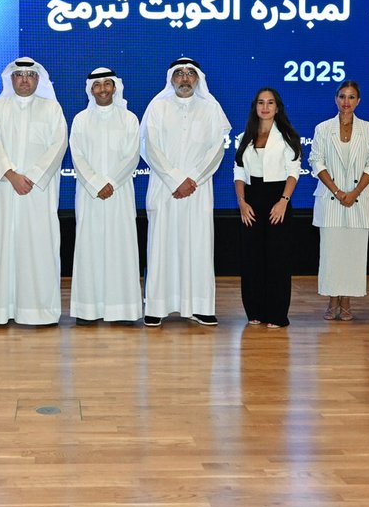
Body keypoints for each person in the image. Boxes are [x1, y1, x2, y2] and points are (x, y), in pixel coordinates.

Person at [141, 57, 231, 327]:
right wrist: (176, 179)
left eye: (190, 73)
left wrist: (193, 179)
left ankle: (200, 306)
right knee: (161, 246)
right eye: (179, 73)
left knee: (198, 245)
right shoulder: (157, 106)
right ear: (171, 78)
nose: (184, 78)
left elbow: (216, 150)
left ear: (198, 78)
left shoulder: (211, 108)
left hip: (197, 190)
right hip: (165, 188)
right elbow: (150, 147)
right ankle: (156, 306)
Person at [0, 57, 68, 326]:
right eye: (19, 75)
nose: (25, 80)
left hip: (37, 193)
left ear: (38, 79)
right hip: (5, 190)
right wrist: (11, 175)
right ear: (11, 79)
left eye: (30, 75)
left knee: (38, 248)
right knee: (1, 247)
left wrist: (31, 177)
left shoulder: (52, 109)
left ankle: (40, 311)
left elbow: (58, 145)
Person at [69, 68, 143, 325]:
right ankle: (88, 310)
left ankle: (122, 310)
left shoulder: (129, 119)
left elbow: (132, 156)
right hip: (89, 195)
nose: (102, 89)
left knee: (120, 248)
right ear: (90, 89)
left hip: (119, 193)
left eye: (107, 84)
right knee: (89, 248)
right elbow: (77, 155)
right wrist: (96, 183)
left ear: (115, 87)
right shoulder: (80, 120)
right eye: (97, 85)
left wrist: (110, 182)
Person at [308, 80, 369, 322]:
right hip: (331, 199)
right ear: (335, 99)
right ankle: (332, 300)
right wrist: (338, 192)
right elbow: (316, 161)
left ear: (358, 101)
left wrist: (355, 192)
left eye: (351, 97)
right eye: (342, 96)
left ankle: (347, 301)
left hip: (359, 200)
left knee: (353, 254)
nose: (346, 102)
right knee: (331, 254)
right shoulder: (322, 129)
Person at [233, 87, 301, 328]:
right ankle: (255, 310)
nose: (265, 107)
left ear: (277, 107)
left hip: (278, 199)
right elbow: (239, 172)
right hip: (251, 201)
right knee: (252, 258)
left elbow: (293, 173)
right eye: (261, 102)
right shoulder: (244, 137)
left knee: (277, 259)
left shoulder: (288, 136)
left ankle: (277, 314)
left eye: (270, 102)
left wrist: (283, 201)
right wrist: (242, 202)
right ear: (255, 107)